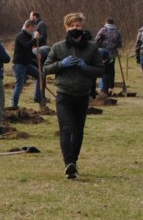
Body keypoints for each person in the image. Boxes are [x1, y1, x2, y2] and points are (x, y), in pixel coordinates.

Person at [43, 13, 104, 179]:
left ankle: (73, 162)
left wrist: (86, 68)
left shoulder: (92, 48)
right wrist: (61, 65)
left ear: (82, 27)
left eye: (77, 26)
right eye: (71, 26)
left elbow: (100, 70)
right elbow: (46, 68)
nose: (75, 29)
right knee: (66, 128)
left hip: (83, 95)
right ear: (66, 28)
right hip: (64, 94)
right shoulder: (58, 47)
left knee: (78, 130)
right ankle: (68, 163)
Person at [10, 19, 42, 108]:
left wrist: (35, 55)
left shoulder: (28, 36)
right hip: (19, 64)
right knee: (19, 85)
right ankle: (14, 105)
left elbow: (28, 51)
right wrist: (35, 38)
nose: (34, 30)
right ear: (29, 27)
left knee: (40, 76)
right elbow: (27, 45)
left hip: (27, 64)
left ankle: (38, 97)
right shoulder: (21, 36)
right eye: (33, 28)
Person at [94, 18, 122, 96]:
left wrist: (97, 48)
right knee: (111, 71)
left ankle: (104, 89)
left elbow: (97, 39)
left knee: (104, 71)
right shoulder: (116, 31)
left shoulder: (103, 29)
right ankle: (111, 87)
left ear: (106, 22)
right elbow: (120, 43)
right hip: (113, 54)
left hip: (103, 54)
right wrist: (117, 48)